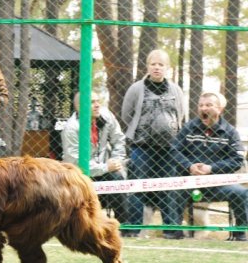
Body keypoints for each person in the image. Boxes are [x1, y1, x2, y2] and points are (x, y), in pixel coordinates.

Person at [121, 49, 185, 239]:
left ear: (168, 68)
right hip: (142, 148)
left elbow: (180, 114)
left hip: (168, 149)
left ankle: (172, 230)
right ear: (147, 66)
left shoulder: (176, 90)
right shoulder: (136, 88)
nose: (157, 67)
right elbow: (127, 115)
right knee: (136, 188)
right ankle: (132, 229)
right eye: (153, 64)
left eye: (161, 64)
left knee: (169, 188)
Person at [173, 92, 248, 241]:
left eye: (208, 105)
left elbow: (237, 159)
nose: (203, 108)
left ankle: (240, 235)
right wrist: (189, 166)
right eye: (201, 105)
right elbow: (174, 151)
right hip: (190, 182)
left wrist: (211, 168)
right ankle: (175, 233)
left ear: (219, 109)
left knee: (240, 193)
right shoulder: (188, 128)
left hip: (218, 183)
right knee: (173, 191)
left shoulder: (230, 132)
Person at [62, 92, 129, 227]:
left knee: (117, 178)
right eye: (92, 102)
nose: (97, 105)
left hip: (104, 168)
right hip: (79, 175)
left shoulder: (106, 116)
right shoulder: (71, 128)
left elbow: (119, 140)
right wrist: (105, 167)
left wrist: (116, 160)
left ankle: (125, 227)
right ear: (80, 107)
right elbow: (76, 162)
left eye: (98, 101)